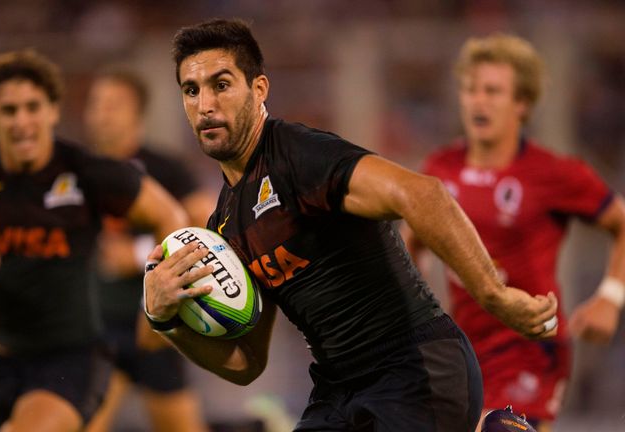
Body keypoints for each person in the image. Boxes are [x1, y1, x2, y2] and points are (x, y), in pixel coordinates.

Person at [142, 19, 559, 432]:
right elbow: (247, 363)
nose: (205, 104)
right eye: (191, 90)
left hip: (415, 368)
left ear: (259, 89)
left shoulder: (299, 156)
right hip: (338, 390)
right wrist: (165, 320)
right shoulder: (226, 224)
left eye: (221, 84)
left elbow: (423, 194)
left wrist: (494, 295)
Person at [0, 49, 188, 432]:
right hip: (2, 362)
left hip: (74, 357)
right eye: (9, 110)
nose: (22, 121)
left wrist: (157, 301)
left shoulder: (86, 171)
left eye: (33, 107)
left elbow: (170, 216)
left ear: (53, 111)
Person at [402, 34, 625, 431]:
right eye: (470, 89)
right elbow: (410, 243)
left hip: (531, 349)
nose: (478, 100)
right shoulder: (440, 169)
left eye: (492, 91)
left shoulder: (553, 172)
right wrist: (409, 314)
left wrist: (611, 296)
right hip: (464, 350)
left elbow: (621, 222)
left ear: (521, 104)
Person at [83, 67, 213, 432]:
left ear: (137, 113)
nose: (102, 113)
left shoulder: (165, 169)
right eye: (97, 104)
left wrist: (140, 255)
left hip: (156, 325)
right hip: (99, 327)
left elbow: (205, 230)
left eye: (114, 105)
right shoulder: (75, 173)